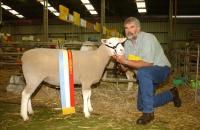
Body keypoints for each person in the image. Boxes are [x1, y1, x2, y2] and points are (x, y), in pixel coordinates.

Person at [113, 17, 182, 125]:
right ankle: (171, 94)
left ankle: (148, 113)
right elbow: (125, 68)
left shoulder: (148, 38)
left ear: (138, 28)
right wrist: (120, 60)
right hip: (146, 75)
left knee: (143, 71)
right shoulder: (127, 44)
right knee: (141, 105)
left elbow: (148, 63)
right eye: (126, 28)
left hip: (161, 69)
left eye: (132, 27)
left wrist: (125, 61)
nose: (129, 30)